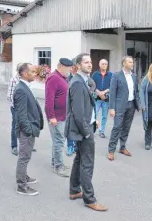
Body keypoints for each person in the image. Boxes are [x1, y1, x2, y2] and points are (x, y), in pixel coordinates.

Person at [65, 53, 107, 212]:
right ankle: (89, 199)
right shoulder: (77, 83)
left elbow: (87, 101)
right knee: (87, 164)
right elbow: (78, 112)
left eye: (90, 62)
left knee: (79, 159)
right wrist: (87, 132)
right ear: (77, 65)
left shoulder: (84, 81)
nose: (90, 64)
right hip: (84, 129)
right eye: (86, 62)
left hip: (86, 126)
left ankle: (74, 190)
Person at [14, 63, 44, 196]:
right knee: (24, 157)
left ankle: (24, 176)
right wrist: (29, 130)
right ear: (24, 74)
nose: (35, 73)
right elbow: (21, 114)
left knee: (26, 155)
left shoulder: (26, 86)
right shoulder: (20, 89)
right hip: (26, 130)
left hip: (29, 128)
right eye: (32, 71)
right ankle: (21, 185)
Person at [107, 56, 140, 161]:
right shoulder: (116, 75)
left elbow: (136, 91)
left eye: (132, 62)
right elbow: (112, 92)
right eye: (130, 62)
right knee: (117, 127)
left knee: (126, 127)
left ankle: (122, 147)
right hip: (120, 106)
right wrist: (111, 108)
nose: (132, 63)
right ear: (124, 63)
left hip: (131, 105)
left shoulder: (134, 76)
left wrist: (138, 103)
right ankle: (111, 150)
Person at [45, 58, 73, 177]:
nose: (70, 70)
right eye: (68, 68)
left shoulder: (63, 78)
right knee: (59, 141)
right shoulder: (54, 78)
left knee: (57, 141)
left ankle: (55, 161)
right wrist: (51, 116)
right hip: (56, 117)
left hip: (63, 115)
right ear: (61, 66)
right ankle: (58, 166)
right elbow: (49, 99)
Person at [92, 59, 113, 138]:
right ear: (99, 65)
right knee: (94, 114)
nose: (104, 65)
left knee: (104, 116)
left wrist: (104, 92)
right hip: (96, 99)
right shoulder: (95, 74)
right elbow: (92, 85)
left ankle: (102, 131)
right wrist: (99, 92)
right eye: (102, 64)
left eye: (105, 64)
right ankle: (92, 130)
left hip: (106, 99)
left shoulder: (111, 75)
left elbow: (112, 86)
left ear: (107, 65)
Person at [7, 62, 22, 156]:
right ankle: (14, 146)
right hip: (16, 107)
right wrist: (16, 106)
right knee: (15, 126)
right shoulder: (14, 80)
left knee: (25, 126)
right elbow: (9, 96)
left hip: (25, 107)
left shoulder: (26, 79)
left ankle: (26, 145)